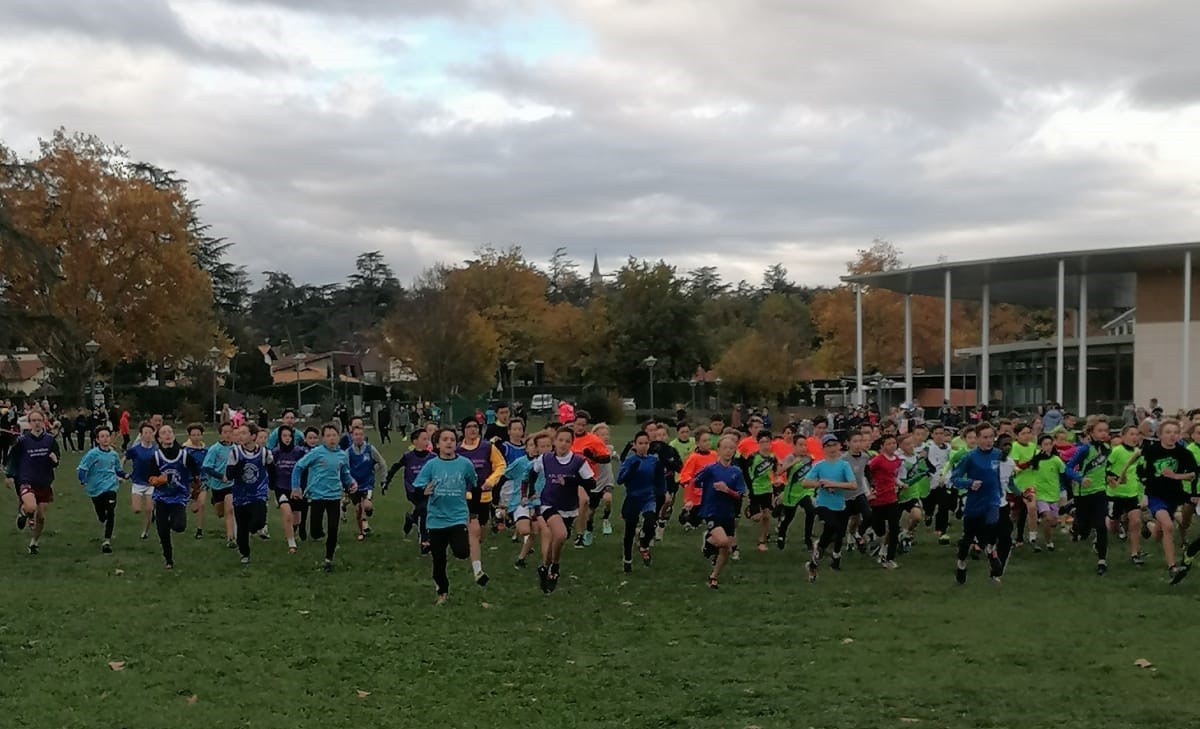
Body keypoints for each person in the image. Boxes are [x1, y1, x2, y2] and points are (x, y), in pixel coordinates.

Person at [414, 427, 482, 604]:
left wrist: (474, 511)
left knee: (462, 552)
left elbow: (476, 486)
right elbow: (417, 488)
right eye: (445, 439)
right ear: (437, 445)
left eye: (452, 439)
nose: (449, 442)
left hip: (458, 516)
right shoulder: (431, 465)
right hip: (436, 519)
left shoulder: (465, 464)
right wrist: (424, 491)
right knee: (439, 560)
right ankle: (442, 593)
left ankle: (455, 541)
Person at [525, 426, 595, 594]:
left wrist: (572, 481)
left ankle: (545, 567)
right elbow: (532, 473)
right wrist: (531, 491)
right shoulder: (545, 459)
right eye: (560, 440)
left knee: (558, 540)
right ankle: (555, 567)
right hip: (548, 503)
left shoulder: (578, 462)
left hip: (569, 508)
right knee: (561, 534)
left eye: (567, 441)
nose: (563, 444)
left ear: (572, 443)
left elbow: (591, 483)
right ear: (554, 442)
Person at [291, 424, 357, 572]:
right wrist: (295, 487)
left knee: (333, 528)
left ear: (338, 437)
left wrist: (352, 483)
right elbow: (298, 467)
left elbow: (345, 474)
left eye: (334, 435)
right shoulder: (316, 453)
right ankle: (318, 534)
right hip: (317, 496)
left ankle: (329, 559)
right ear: (323, 439)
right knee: (315, 531)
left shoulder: (342, 455)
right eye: (328, 436)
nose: (332, 438)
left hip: (334, 496)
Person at [949, 423, 1006, 584]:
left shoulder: (998, 454)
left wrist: (1009, 491)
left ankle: (991, 551)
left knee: (993, 524)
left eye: (991, 437)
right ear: (978, 438)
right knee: (967, 538)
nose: (989, 441)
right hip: (974, 502)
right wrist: (970, 483)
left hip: (993, 499)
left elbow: (1002, 474)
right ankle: (961, 564)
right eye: (985, 437)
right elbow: (955, 478)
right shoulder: (970, 457)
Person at [693, 434, 747, 589]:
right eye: (725, 448)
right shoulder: (711, 469)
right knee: (722, 541)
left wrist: (727, 490)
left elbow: (740, 494)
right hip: (711, 511)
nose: (728, 451)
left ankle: (713, 576)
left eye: (731, 448)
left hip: (728, 512)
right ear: (718, 450)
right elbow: (696, 481)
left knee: (726, 549)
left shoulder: (736, 471)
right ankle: (709, 541)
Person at [6, 409, 61, 554]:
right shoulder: (22, 441)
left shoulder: (50, 440)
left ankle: (34, 543)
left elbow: (56, 459)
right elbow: (12, 458)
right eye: (34, 420)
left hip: (44, 481)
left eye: (39, 420)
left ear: (44, 422)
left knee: (41, 517)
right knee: (31, 507)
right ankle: (23, 513)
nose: (37, 423)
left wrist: (55, 460)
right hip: (26, 480)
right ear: (29, 423)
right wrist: (9, 475)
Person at [805, 435, 858, 582]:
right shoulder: (819, 465)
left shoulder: (844, 465)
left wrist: (834, 484)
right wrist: (820, 484)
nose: (832, 448)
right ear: (823, 449)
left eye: (834, 444)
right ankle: (820, 547)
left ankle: (813, 562)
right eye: (828, 446)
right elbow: (806, 482)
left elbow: (853, 485)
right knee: (832, 525)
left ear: (839, 446)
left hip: (840, 505)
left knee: (837, 534)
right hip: (823, 504)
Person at [456, 419, 503, 582]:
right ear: (463, 430)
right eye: (468, 427)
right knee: (474, 530)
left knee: (481, 533)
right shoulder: (457, 450)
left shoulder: (487, 447)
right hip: (466, 496)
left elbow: (500, 465)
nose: (472, 430)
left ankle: (470, 543)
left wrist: (491, 481)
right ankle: (478, 570)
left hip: (485, 496)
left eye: (475, 427)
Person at [1065, 420, 1113, 575]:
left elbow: (1106, 468)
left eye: (1106, 430)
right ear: (1091, 432)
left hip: (1100, 491)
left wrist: (1111, 477)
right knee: (1084, 530)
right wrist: (1079, 479)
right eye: (1100, 430)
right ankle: (1074, 516)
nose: (1104, 433)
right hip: (1083, 494)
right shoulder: (1084, 449)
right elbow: (1067, 468)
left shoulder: (1107, 449)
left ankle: (1102, 560)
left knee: (1101, 525)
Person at [147, 425, 198, 569]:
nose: (168, 434)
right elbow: (150, 478)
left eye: (170, 432)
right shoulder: (156, 457)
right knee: (162, 531)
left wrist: (195, 494)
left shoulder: (184, 455)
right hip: (161, 498)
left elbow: (196, 474)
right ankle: (168, 559)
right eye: (164, 433)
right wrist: (159, 480)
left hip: (178, 497)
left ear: (174, 436)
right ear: (159, 439)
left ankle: (172, 522)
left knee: (179, 527)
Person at [616, 430, 666, 572]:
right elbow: (620, 480)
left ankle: (644, 544)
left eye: (646, 443)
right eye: (640, 443)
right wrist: (631, 471)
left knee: (650, 522)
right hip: (633, 498)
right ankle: (627, 560)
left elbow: (660, 479)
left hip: (648, 497)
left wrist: (662, 492)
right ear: (635, 445)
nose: (643, 446)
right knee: (630, 531)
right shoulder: (630, 461)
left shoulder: (654, 461)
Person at [226, 423, 273, 564]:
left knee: (259, 521)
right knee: (242, 528)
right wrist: (238, 466)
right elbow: (229, 475)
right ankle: (244, 554)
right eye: (239, 433)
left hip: (258, 493)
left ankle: (255, 528)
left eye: (244, 433)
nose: (240, 436)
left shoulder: (264, 453)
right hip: (240, 495)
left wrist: (273, 484)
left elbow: (272, 468)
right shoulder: (235, 453)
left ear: (253, 436)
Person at [384, 429, 435, 553]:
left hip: (428, 490)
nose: (427, 442)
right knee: (424, 510)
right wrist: (387, 481)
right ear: (415, 441)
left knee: (424, 510)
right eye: (424, 439)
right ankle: (424, 540)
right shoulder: (408, 456)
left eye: (428, 439)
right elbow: (396, 467)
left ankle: (412, 518)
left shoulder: (433, 457)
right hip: (412, 491)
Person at [77, 425, 127, 553]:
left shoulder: (114, 454)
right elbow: (82, 468)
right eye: (102, 436)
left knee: (110, 511)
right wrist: (83, 480)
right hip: (95, 488)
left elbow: (118, 469)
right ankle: (102, 517)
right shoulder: (92, 454)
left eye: (107, 436)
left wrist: (125, 475)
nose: (105, 439)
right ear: (97, 439)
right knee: (102, 515)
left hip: (111, 486)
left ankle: (107, 541)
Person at [567, 410, 613, 547]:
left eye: (583, 425)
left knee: (584, 502)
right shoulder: (567, 438)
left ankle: (580, 535)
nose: (580, 427)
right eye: (578, 424)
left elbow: (606, 458)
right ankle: (567, 525)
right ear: (573, 424)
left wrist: (592, 457)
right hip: (566, 475)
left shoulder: (593, 440)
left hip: (585, 477)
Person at [1107, 424, 1145, 566]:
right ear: (1123, 436)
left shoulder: (1138, 453)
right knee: (1113, 525)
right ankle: (1116, 527)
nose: (1135, 437)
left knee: (1136, 521)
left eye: (1137, 434)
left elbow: (1141, 472)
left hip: (1132, 493)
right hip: (1115, 494)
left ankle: (1135, 553)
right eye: (1131, 434)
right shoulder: (1117, 451)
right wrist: (1112, 478)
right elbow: (1106, 467)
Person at [866, 434, 903, 568]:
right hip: (877, 499)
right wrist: (870, 488)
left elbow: (893, 476)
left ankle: (889, 557)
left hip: (892, 498)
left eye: (894, 443)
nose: (892, 446)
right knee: (879, 529)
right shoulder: (878, 460)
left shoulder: (897, 460)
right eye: (888, 444)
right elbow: (866, 472)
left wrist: (900, 483)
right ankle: (874, 537)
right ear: (882, 446)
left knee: (894, 528)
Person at [269, 425, 306, 553]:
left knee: (297, 520)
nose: (287, 438)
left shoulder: (300, 452)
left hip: (296, 488)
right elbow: (269, 469)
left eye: (289, 436)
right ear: (279, 437)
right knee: (287, 513)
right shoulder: (275, 453)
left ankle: (292, 531)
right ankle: (291, 543)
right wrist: (271, 484)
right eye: (284, 436)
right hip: (281, 488)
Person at [201, 422, 238, 548]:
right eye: (225, 432)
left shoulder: (237, 449)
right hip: (217, 485)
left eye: (230, 432)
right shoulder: (215, 449)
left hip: (231, 484)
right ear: (220, 435)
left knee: (230, 510)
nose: (228, 435)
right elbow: (207, 467)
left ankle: (231, 538)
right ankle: (214, 501)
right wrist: (221, 477)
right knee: (220, 513)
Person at [346, 424, 386, 541]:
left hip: (368, 483)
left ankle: (368, 511)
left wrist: (383, 479)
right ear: (352, 436)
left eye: (361, 434)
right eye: (356, 435)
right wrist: (345, 484)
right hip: (354, 484)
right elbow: (344, 469)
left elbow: (382, 463)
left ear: (364, 436)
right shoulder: (348, 452)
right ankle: (361, 531)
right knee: (358, 509)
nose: (358, 437)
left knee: (367, 505)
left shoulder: (370, 449)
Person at [776, 435, 815, 551]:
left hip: (805, 491)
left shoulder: (809, 458)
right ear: (794, 446)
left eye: (805, 445)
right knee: (789, 517)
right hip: (792, 492)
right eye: (800, 445)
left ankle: (808, 539)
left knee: (811, 511)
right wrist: (793, 463)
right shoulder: (790, 457)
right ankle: (781, 534)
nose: (803, 448)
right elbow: (779, 471)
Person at [743, 431, 778, 553]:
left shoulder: (773, 458)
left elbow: (775, 472)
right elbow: (746, 473)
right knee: (757, 518)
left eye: (767, 442)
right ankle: (751, 510)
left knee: (766, 517)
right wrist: (749, 488)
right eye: (762, 442)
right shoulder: (753, 457)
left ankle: (762, 540)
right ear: (758, 443)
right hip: (755, 489)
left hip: (767, 489)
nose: (765, 444)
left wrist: (775, 481)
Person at [123, 423, 159, 541]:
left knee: (149, 509)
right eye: (145, 433)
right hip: (137, 483)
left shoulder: (156, 450)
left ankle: (145, 532)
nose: (148, 435)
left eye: (150, 433)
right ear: (141, 435)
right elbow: (124, 458)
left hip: (151, 483)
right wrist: (120, 472)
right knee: (137, 509)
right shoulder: (135, 450)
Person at [182, 424, 209, 540]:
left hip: (203, 480)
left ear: (202, 436)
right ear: (189, 436)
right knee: (194, 508)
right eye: (193, 435)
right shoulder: (185, 450)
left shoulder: (206, 450)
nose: (196, 437)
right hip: (189, 482)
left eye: (198, 435)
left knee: (202, 504)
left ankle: (199, 530)